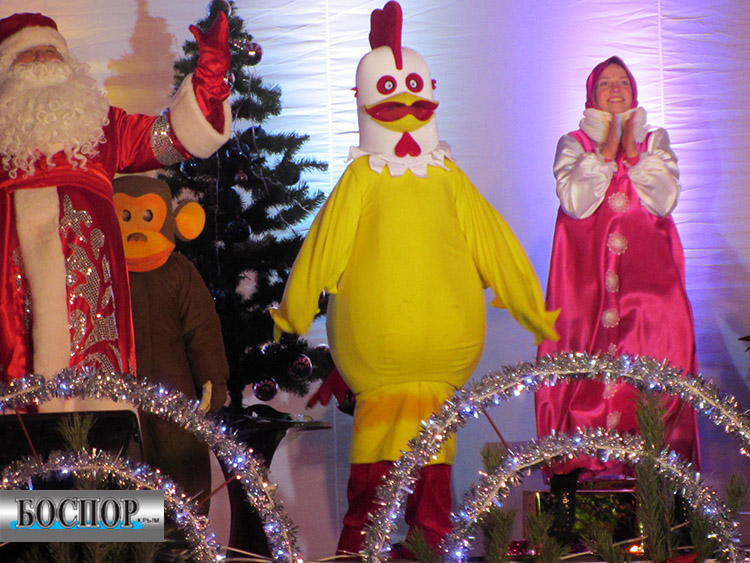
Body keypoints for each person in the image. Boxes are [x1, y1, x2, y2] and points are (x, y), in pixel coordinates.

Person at [271, 1, 559, 554]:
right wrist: (296, 307)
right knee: (380, 478)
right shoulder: (362, 177)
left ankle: (409, 547)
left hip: (435, 368)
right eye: (390, 90)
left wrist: (527, 302)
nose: (404, 102)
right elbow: (325, 244)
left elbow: (492, 240)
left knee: (426, 478)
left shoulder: (448, 177)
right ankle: (371, 550)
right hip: (384, 367)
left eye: (413, 89)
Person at [0, 12, 231, 411]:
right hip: (11, 286)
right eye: (29, 54)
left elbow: (169, 139)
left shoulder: (101, 126)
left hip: (93, 289)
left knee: (98, 406)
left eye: (50, 51)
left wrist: (208, 82)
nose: (42, 60)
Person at [535, 56, 701, 543]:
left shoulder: (655, 141)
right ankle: (564, 520)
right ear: (591, 94)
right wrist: (608, 150)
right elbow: (575, 201)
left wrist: (633, 151)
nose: (614, 89)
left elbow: (664, 199)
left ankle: (675, 520)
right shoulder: (574, 143)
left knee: (659, 387)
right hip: (586, 294)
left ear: (634, 91)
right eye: (605, 83)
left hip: (650, 296)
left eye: (622, 82)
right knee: (578, 386)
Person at [114, 175, 229, 510]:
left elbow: (201, 327)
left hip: (174, 392)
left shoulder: (179, 270)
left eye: (147, 216)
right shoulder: (104, 270)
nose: (137, 230)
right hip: (118, 393)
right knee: (126, 468)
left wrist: (213, 378)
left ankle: (181, 535)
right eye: (126, 217)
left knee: (182, 473)